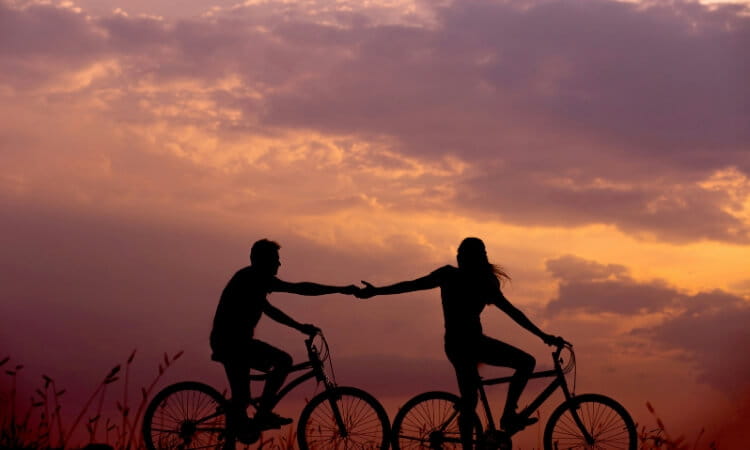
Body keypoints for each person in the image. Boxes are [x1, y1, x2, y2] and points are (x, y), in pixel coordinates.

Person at [356, 237, 566, 449]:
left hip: (466, 344)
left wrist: (542, 335)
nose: (458, 258)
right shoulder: (463, 278)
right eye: (459, 254)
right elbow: (411, 285)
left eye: (462, 254)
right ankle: (507, 417)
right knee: (505, 376)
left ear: (472, 258)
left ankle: (505, 418)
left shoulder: (473, 280)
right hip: (465, 345)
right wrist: (543, 336)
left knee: (482, 392)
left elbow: (513, 312)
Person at [210, 239, 358, 440]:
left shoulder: (252, 281)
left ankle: (241, 420)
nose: (279, 264)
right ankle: (262, 414)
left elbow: (270, 311)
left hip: (236, 343)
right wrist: (339, 289)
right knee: (282, 362)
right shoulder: (253, 278)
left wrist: (299, 327)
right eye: (275, 260)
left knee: (242, 398)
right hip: (232, 344)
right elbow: (300, 288)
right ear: (263, 261)